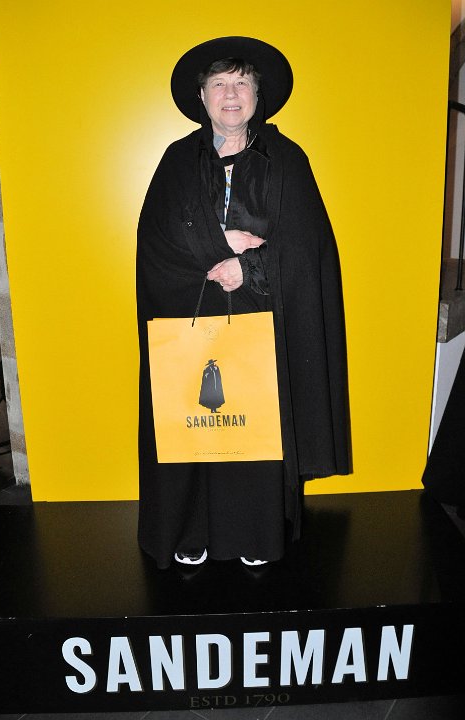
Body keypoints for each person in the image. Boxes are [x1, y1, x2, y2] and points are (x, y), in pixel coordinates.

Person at [136, 36, 351, 569]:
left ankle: (256, 533)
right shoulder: (177, 160)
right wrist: (220, 246)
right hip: (190, 315)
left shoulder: (287, 159)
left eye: (241, 83)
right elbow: (155, 239)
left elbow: (307, 245)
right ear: (202, 97)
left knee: (254, 426)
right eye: (219, 84)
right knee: (189, 423)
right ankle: (188, 529)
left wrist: (250, 267)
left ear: (257, 95)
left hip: (261, 315)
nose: (230, 94)